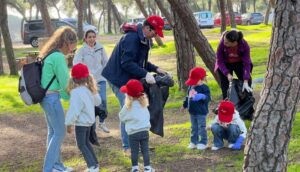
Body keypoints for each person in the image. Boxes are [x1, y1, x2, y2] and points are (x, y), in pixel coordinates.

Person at [102, 15, 167, 153]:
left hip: (129, 78)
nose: (155, 36)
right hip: (118, 78)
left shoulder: (145, 39)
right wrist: (145, 74)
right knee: (129, 109)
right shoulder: (131, 38)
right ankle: (128, 147)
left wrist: (156, 69)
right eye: (155, 32)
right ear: (148, 28)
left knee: (137, 109)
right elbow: (126, 63)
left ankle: (137, 144)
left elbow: (141, 62)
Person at [39, 26, 77, 172]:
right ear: (68, 42)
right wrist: (71, 98)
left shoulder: (50, 54)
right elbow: (65, 82)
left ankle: (56, 165)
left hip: (45, 98)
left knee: (53, 132)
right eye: (74, 45)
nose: (73, 49)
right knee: (60, 132)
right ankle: (48, 168)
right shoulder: (59, 57)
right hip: (52, 99)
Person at [73, 26, 109, 147]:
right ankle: (92, 133)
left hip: (101, 79)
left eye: (93, 37)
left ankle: (102, 122)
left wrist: (104, 72)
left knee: (103, 100)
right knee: (92, 105)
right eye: (89, 37)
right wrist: (84, 75)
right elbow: (76, 63)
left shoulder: (100, 48)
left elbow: (106, 62)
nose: (92, 39)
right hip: (88, 81)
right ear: (85, 38)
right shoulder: (81, 50)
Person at [65, 63, 101, 172]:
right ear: (87, 77)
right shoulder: (90, 89)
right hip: (90, 123)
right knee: (86, 143)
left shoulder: (76, 93)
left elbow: (74, 110)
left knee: (81, 145)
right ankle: (95, 164)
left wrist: (68, 124)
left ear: (73, 79)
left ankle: (92, 167)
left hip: (81, 124)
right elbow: (98, 102)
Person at [119, 79, 154, 172]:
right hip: (144, 132)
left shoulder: (127, 107)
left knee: (134, 151)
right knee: (145, 150)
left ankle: (135, 168)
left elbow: (121, 117)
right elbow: (147, 116)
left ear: (128, 95)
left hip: (133, 133)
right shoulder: (143, 105)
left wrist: (128, 120)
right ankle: (147, 168)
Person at [215, 30, 253, 99]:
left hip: (239, 62)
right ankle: (227, 105)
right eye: (224, 40)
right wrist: (227, 74)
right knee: (225, 86)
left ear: (235, 43)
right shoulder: (222, 44)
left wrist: (246, 80)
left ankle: (247, 103)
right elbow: (219, 61)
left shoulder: (244, 45)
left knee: (247, 81)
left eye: (227, 42)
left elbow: (246, 63)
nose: (224, 43)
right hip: (225, 64)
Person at [180, 67, 211, 150]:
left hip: (201, 112)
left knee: (202, 127)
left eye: (195, 80)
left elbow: (208, 98)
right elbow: (188, 97)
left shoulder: (204, 88)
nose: (193, 83)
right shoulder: (191, 87)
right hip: (192, 112)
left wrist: (202, 96)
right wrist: (184, 105)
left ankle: (203, 142)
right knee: (194, 128)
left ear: (201, 79)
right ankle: (194, 141)